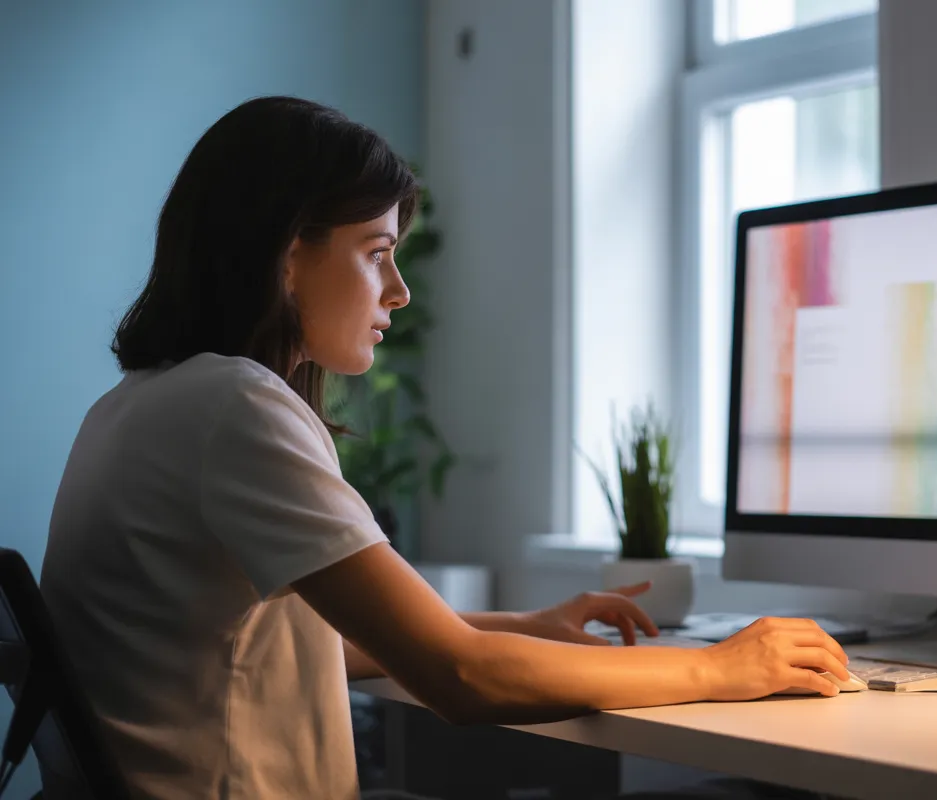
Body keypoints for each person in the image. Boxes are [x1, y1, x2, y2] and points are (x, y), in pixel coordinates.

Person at [38, 96, 851, 800]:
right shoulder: (234, 406)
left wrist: (526, 625)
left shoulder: (136, 405)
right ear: (290, 256)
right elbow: (460, 678)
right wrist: (721, 669)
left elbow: (288, 644)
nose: (399, 290)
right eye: (376, 253)